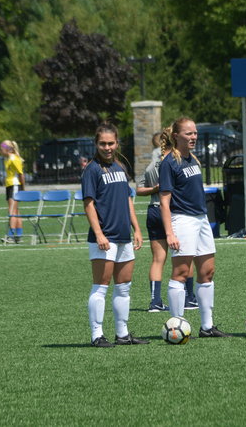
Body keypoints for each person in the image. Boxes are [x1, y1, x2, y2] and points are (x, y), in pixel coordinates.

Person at [159, 117, 231, 338]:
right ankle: (176, 326)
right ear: (176, 136)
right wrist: (169, 232)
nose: (193, 137)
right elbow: (164, 201)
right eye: (188, 133)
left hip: (201, 219)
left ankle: (207, 327)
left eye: (195, 133)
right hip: (182, 220)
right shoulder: (169, 162)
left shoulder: (192, 159)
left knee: (207, 272)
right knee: (181, 273)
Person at [82, 123, 148, 347]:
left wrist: (136, 228)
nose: (107, 147)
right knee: (101, 286)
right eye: (103, 143)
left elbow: (127, 199)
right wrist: (99, 234)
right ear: (96, 144)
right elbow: (88, 204)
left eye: (111, 143)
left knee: (124, 286)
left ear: (117, 143)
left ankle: (122, 334)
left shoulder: (120, 167)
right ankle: (97, 335)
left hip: (123, 236)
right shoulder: (91, 170)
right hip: (105, 238)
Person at [136, 129, 198, 312]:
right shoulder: (176, 161)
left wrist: (154, 189)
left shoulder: (152, 163)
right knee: (186, 256)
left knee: (158, 259)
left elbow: (139, 189)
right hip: (173, 212)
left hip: (154, 211)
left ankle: (155, 301)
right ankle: (189, 298)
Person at [0, 140, 25, 243]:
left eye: (1, 148)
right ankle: (19, 235)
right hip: (9, 185)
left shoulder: (14, 159)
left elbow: (21, 174)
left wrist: (23, 189)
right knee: (15, 211)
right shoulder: (7, 159)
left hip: (14, 185)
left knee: (12, 211)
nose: (0, 150)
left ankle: (10, 235)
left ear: (8, 149)